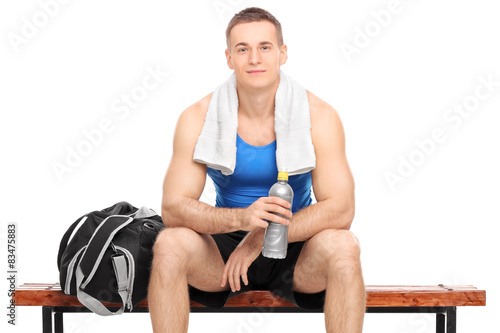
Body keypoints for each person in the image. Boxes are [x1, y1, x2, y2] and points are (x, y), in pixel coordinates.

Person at [148, 7, 366, 333]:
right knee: (169, 244)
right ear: (229, 58)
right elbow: (173, 209)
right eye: (243, 49)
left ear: (282, 53)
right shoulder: (197, 117)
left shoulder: (319, 116)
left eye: (264, 47)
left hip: (296, 244)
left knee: (345, 246)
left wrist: (259, 238)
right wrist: (241, 219)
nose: (254, 59)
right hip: (226, 252)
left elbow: (342, 209)